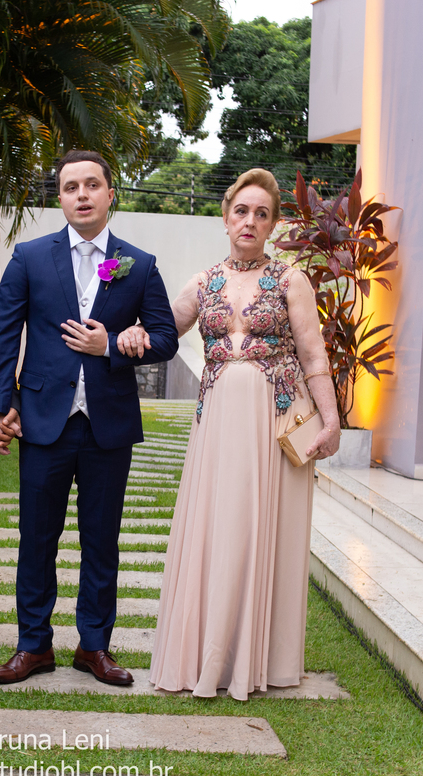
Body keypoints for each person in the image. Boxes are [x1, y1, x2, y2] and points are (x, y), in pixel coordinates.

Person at [117, 168, 341, 700]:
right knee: (219, 527)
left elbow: (313, 354)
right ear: (225, 218)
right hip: (218, 424)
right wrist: (133, 331)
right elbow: (167, 327)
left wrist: (332, 420)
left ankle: (260, 659)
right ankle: (209, 653)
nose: (250, 221)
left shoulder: (291, 280)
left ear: (272, 224)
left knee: (268, 531)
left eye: (262, 214)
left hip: (275, 420)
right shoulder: (204, 282)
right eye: (242, 211)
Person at [0, 150, 178, 687]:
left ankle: (94, 646)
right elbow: (2, 336)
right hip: (42, 420)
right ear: (61, 198)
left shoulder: (139, 263)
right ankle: (33, 645)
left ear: (111, 193)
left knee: (101, 539)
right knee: (35, 538)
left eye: (92, 184)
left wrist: (111, 344)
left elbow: (165, 337)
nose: (82, 195)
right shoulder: (30, 257)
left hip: (107, 425)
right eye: (71, 187)